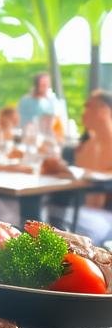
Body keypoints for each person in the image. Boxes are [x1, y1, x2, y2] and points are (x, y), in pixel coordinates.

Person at [51, 90, 112, 244]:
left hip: (97, 218)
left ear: (105, 110)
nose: (83, 113)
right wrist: (60, 168)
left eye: (89, 107)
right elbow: (77, 177)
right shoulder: (85, 145)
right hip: (76, 211)